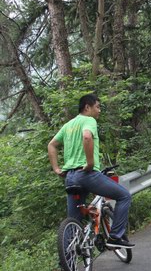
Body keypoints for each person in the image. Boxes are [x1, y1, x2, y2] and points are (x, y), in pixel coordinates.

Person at [48, 94, 134, 248]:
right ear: (87, 107)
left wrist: (56, 168)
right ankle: (115, 237)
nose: (99, 110)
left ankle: (66, 264)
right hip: (87, 175)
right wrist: (90, 163)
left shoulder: (68, 125)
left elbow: (52, 145)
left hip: (70, 177)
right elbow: (87, 136)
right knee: (124, 196)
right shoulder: (89, 120)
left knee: (73, 220)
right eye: (97, 107)